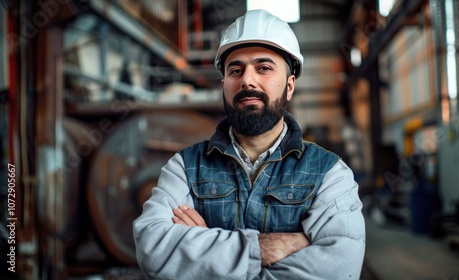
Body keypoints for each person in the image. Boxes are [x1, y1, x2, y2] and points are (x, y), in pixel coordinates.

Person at [133, 9, 365, 279]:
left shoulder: (330, 174)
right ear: (224, 84)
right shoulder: (184, 168)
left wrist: (203, 254)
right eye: (235, 70)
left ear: (290, 86)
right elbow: (151, 248)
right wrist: (263, 248)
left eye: (264, 68)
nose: (247, 80)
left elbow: (340, 268)